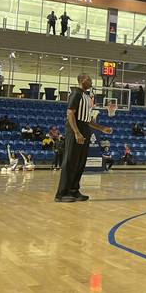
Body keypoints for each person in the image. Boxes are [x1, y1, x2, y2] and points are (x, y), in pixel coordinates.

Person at [55, 73, 113, 203]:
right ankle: (61, 193)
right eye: (89, 79)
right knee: (70, 162)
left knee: (80, 162)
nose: (91, 81)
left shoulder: (87, 97)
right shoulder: (76, 94)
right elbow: (70, 113)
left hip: (84, 128)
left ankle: (74, 191)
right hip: (75, 129)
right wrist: (76, 132)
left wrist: (102, 128)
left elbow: (87, 119)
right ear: (81, 80)